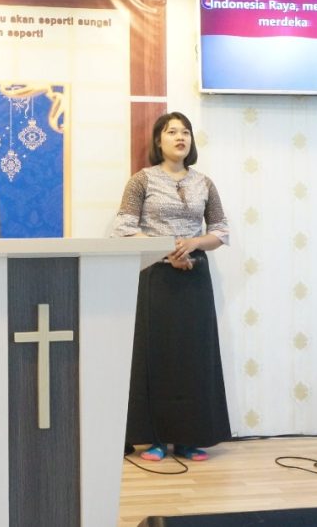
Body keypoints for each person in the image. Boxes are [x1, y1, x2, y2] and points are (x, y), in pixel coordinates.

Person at [111, 111, 231, 462]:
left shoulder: (205, 183)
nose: (180, 137)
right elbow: (123, 229)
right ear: (158, 140)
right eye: (172, 131)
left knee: (194, 357)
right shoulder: (141, 180)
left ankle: (190, 438)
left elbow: (221, 231)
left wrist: (193, 244)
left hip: (195, 275)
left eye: (186, 132)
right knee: (157, 357)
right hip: (156, 275)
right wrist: (167, 249)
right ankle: (157, 439)